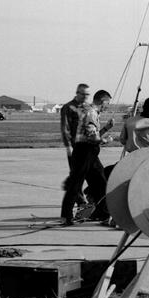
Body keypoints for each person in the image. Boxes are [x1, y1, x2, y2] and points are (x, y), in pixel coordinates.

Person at [60, 90, 114, 226]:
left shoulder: (91, 112)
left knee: (100, 183)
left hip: (90, 153)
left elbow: (93, 134)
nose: (107, 107)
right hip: (85, 153)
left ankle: (100, 213)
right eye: (107, 103)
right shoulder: (91, 113)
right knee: (76, 184)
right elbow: (92, 137)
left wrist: (106, 128)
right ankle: (66, 216)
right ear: (102, 101)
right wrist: (106, 140)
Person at [59, 82, 90, 213]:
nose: (85, 97)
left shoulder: (88, 108)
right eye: (83, 94)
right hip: (74, 147)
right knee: (76, 176)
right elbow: (65, 128)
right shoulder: (68, 107)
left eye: (87, 94)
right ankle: (81, 201)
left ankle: (83, 196)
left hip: (87, 147)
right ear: (77, 93)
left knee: (85, 174)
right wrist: (68, 146)